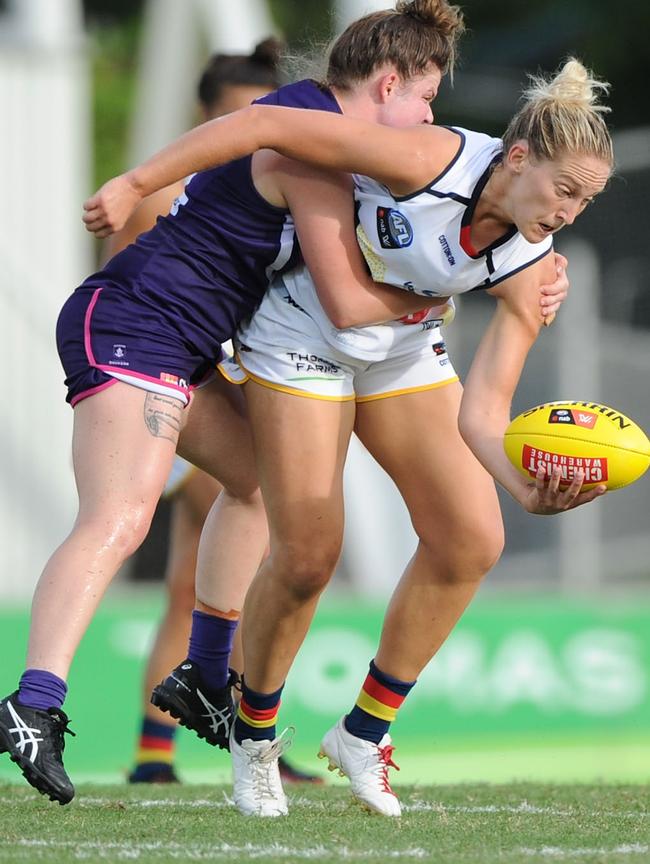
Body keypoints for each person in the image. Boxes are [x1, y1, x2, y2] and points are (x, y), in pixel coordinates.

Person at [0, 0, 567, 808]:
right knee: (120, 519)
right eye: (425, 98)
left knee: (256, 486)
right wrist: (443, 296)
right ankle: (34, 703)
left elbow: (244, 132)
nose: (429, 118)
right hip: (135, 328)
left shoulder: (317, 132)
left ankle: (203, 669)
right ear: (387, 81)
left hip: (182, 345)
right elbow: (341, 296)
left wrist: (521, 263)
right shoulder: (313, 145)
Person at [103, 39, 320, 788]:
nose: (254, 127)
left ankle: (171, 748)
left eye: (265, 111)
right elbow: (145, 297)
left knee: (217, 572)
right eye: (238, 115)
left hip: (229, 384)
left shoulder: (271, 181)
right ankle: (209, 733)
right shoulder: (173, 196)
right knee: (229, 567)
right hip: (183, 384)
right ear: (205, 117)